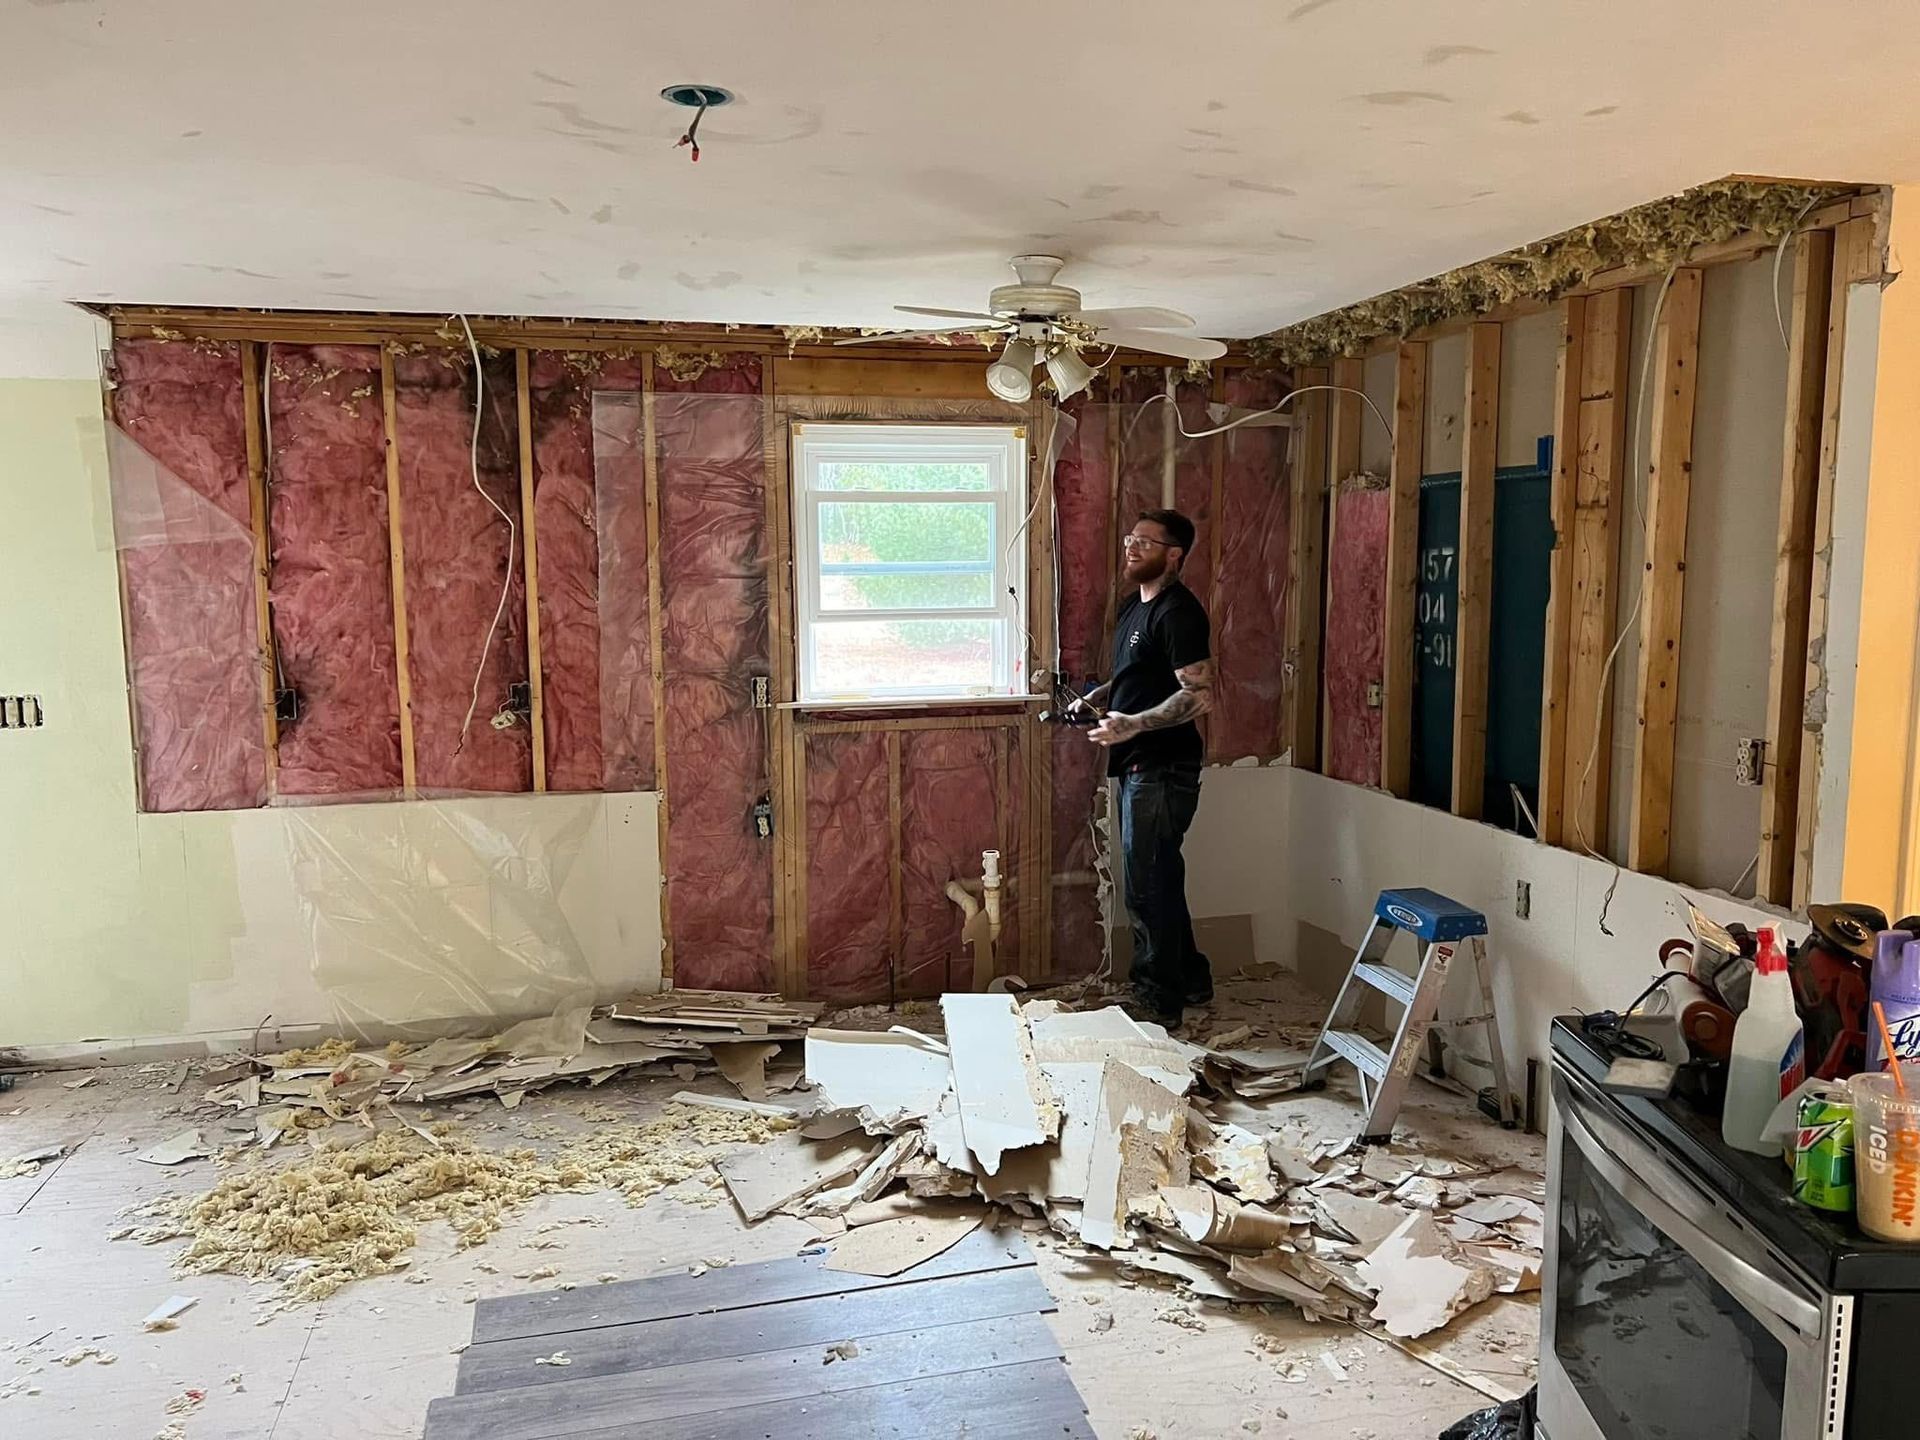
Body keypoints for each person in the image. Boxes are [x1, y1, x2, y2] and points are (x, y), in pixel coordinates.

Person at [1073, 507, 1215, 1026]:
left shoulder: (1179, 612)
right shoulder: (1137, 606)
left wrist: (1131, 724)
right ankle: (1193, 979)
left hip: (1161, 767)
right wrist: (1100, 696)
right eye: (1131, 539)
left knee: (1145, 885)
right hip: (1140, 764)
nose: (1132, 548)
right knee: (1161, 877)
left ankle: (1158, 1000)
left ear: (1173, 555)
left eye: (1146, 543)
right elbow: (1138, 674)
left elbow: (1198, 697)